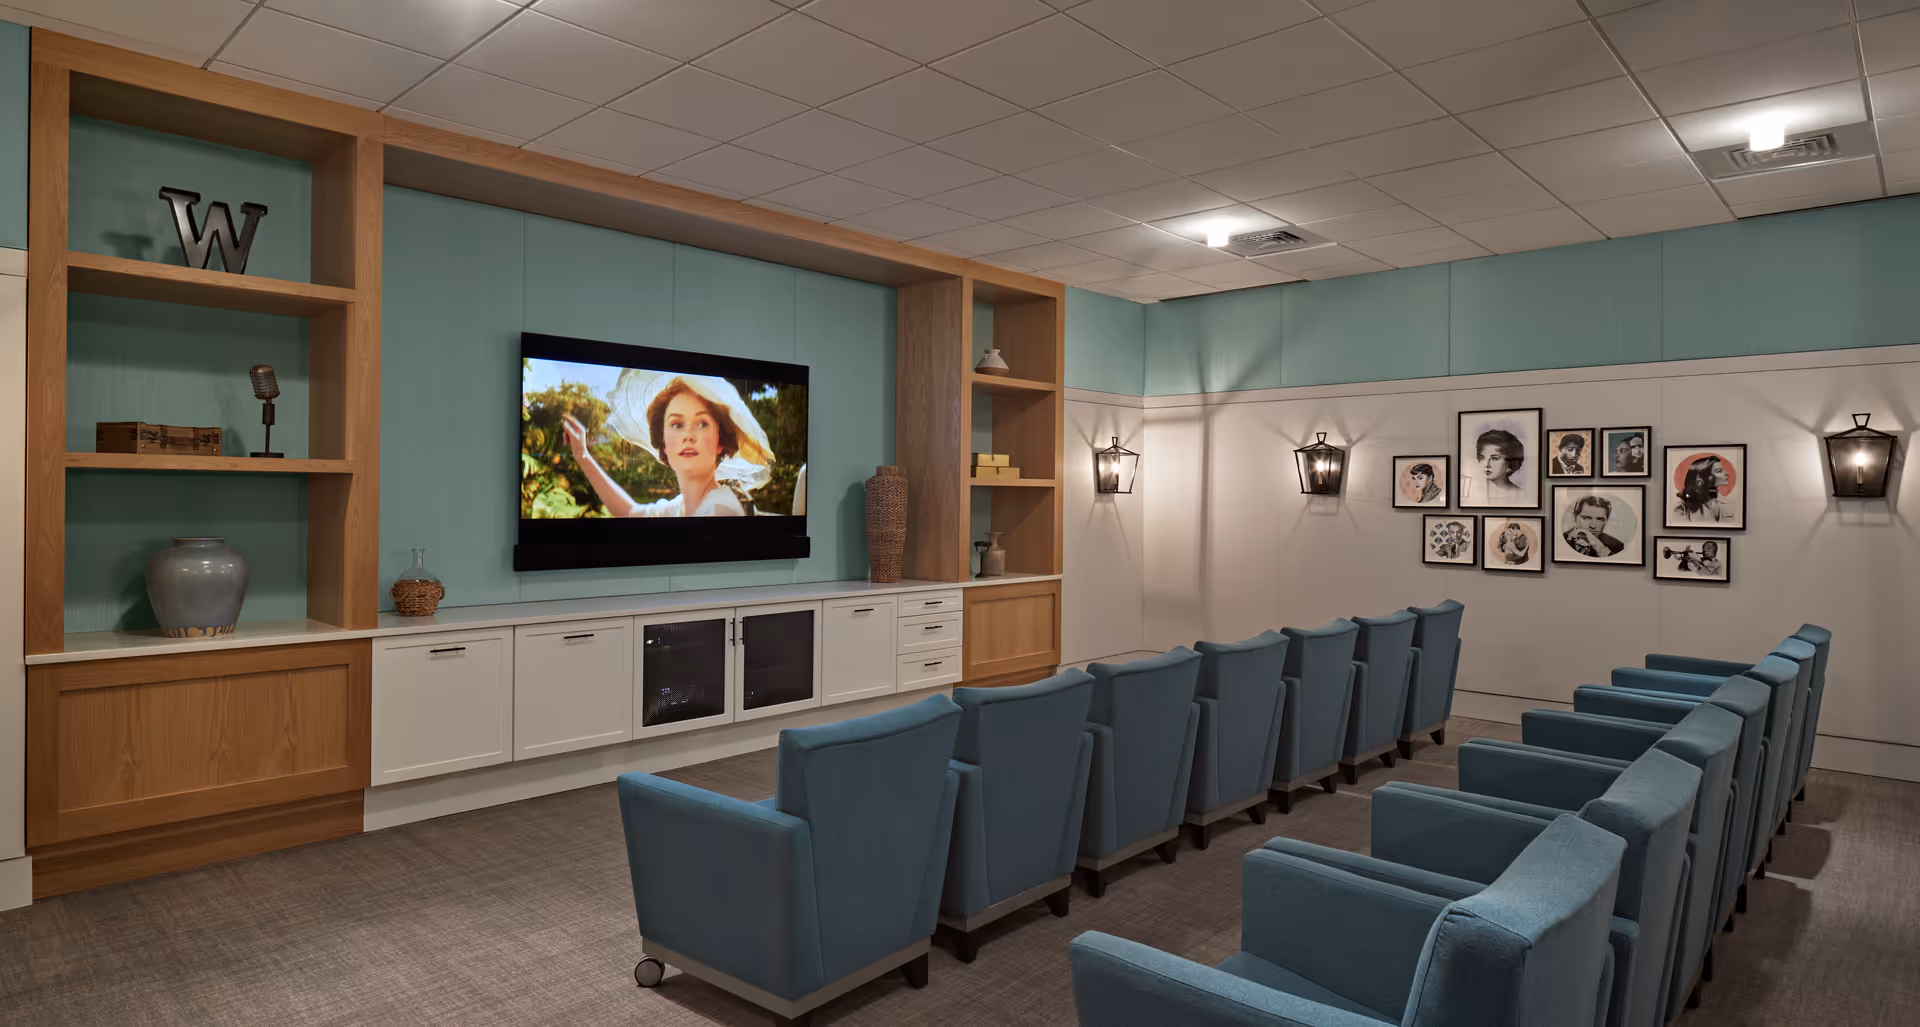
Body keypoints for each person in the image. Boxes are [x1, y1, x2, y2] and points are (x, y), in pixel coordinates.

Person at [563, 371, 773, 517]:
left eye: (702, 424)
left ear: (721, 441)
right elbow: (631, 512)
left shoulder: (721, 510)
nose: (688, 435)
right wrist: (582, 455)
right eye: (677, 424)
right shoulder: (681, 506)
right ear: (664, 445)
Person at [1463, 428, 1528, 504]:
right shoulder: (1471, 492)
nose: (1486, 464)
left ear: (1510, 463)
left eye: (1494, 458)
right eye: (1482, 457)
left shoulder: (1520, 496)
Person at [1672, 454, 1736, 523]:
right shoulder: (1682, 508)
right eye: (1719, 471)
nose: (1726, 473)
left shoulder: (1728, 505)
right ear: (1704, 478)